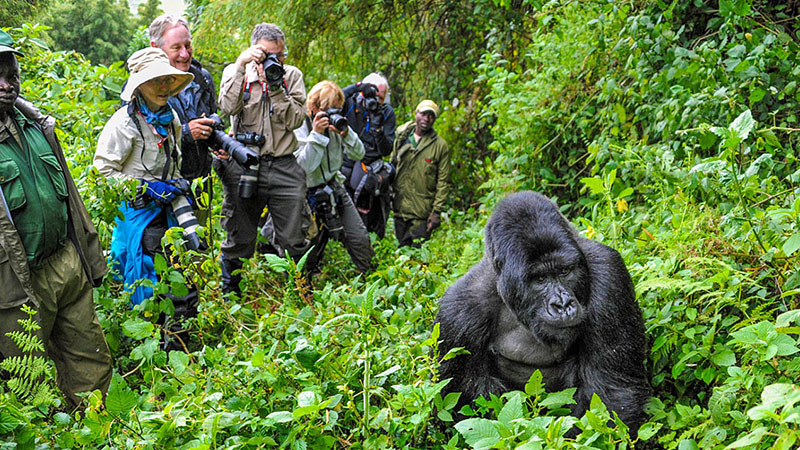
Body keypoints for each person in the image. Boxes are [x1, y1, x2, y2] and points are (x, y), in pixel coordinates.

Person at [0, 30, 112, 409]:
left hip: (65, 261)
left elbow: (71, 199)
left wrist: (91, 257)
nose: (5, 85)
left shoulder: (36, 126)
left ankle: (95, 433)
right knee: (25, 383)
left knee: (91, 361)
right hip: (13, 281)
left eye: (11, 74)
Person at [94, 47, 196, 350]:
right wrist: (143, 186)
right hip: (138, 215)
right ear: (139, 86)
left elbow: (172, 160)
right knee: (147, 284)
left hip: (169, 212)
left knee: (182, 277)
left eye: (167, 81)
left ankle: (179, 346)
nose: (164, 88)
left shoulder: (171, 118)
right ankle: (149, 350)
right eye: (156, 82)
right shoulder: (123, 124)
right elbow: (102, 172)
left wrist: (175, 185)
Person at [217, 23, 308, 296]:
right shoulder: (238, 73)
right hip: (246, 163)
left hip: (284, 164)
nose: (276, 60)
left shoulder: (292, 76)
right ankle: (231, 294)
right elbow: (227, 107)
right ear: (255, 50)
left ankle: (299, 290)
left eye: (280, 55)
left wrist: (277, 87)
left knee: (294, 236)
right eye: (269, 55)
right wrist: (240, 64)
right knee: (239, 234)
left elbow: (295, 119)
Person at [294, 80, 374, 275]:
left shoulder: (336, 124)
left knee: (359, 237)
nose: (333, 115)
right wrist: (317, 135)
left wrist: (346, 134)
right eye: (328, 110)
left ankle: (370, 276)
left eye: (337, 109)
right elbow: (305, 167)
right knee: (308, 242)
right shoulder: (299, 125)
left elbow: (359, 154)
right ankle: (304, 285)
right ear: (314, 107)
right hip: (306, 192)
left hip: (333, 186)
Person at [148, 14, 219, 223]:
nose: (184, 54)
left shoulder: (202, 78)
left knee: (199, 247)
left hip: (200, 183)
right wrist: (187, 132)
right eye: (176, 47)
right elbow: (142, 140)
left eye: (188, 45)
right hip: (161, 188)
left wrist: (216, 138)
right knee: (166, 249)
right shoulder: (143, 85)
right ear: (156, 47)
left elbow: (211, 113)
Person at [341, 73, 396, 238]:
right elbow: (328, 100)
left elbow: (386, 150)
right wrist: (356, 87)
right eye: (373, 95)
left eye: (381, 97)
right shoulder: (350, 103)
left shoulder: (386, 112)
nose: (376, 101)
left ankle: (370, 239)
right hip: (345, 163)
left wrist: (378, 129)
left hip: (369, 167)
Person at [391, 100, 451, 247]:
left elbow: (443, 181)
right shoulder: (402, 137)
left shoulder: (440, 146)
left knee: (418, 256)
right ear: (416, 114)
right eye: (423, 114)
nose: (426, 119)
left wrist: (436, 212)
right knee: (402, 253)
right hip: (400, 209)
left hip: (422, 213)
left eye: (431, 116)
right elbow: (392, 165)